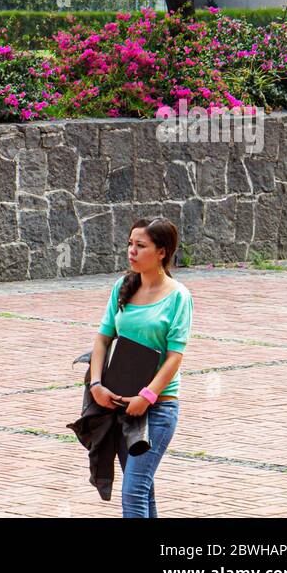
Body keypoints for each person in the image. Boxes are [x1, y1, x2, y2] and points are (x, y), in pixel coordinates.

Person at [86, 217, 193, 518]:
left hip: (158, 408)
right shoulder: (123, 287)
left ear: (162, 252)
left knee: (133, 492)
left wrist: (146, 396)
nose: (131, 251)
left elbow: (175, 356)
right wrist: (96, 385)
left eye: (141, 245)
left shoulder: (178, 297)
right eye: (130, 244)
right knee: (143, 492)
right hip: (119, 403)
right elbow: (102, 338)